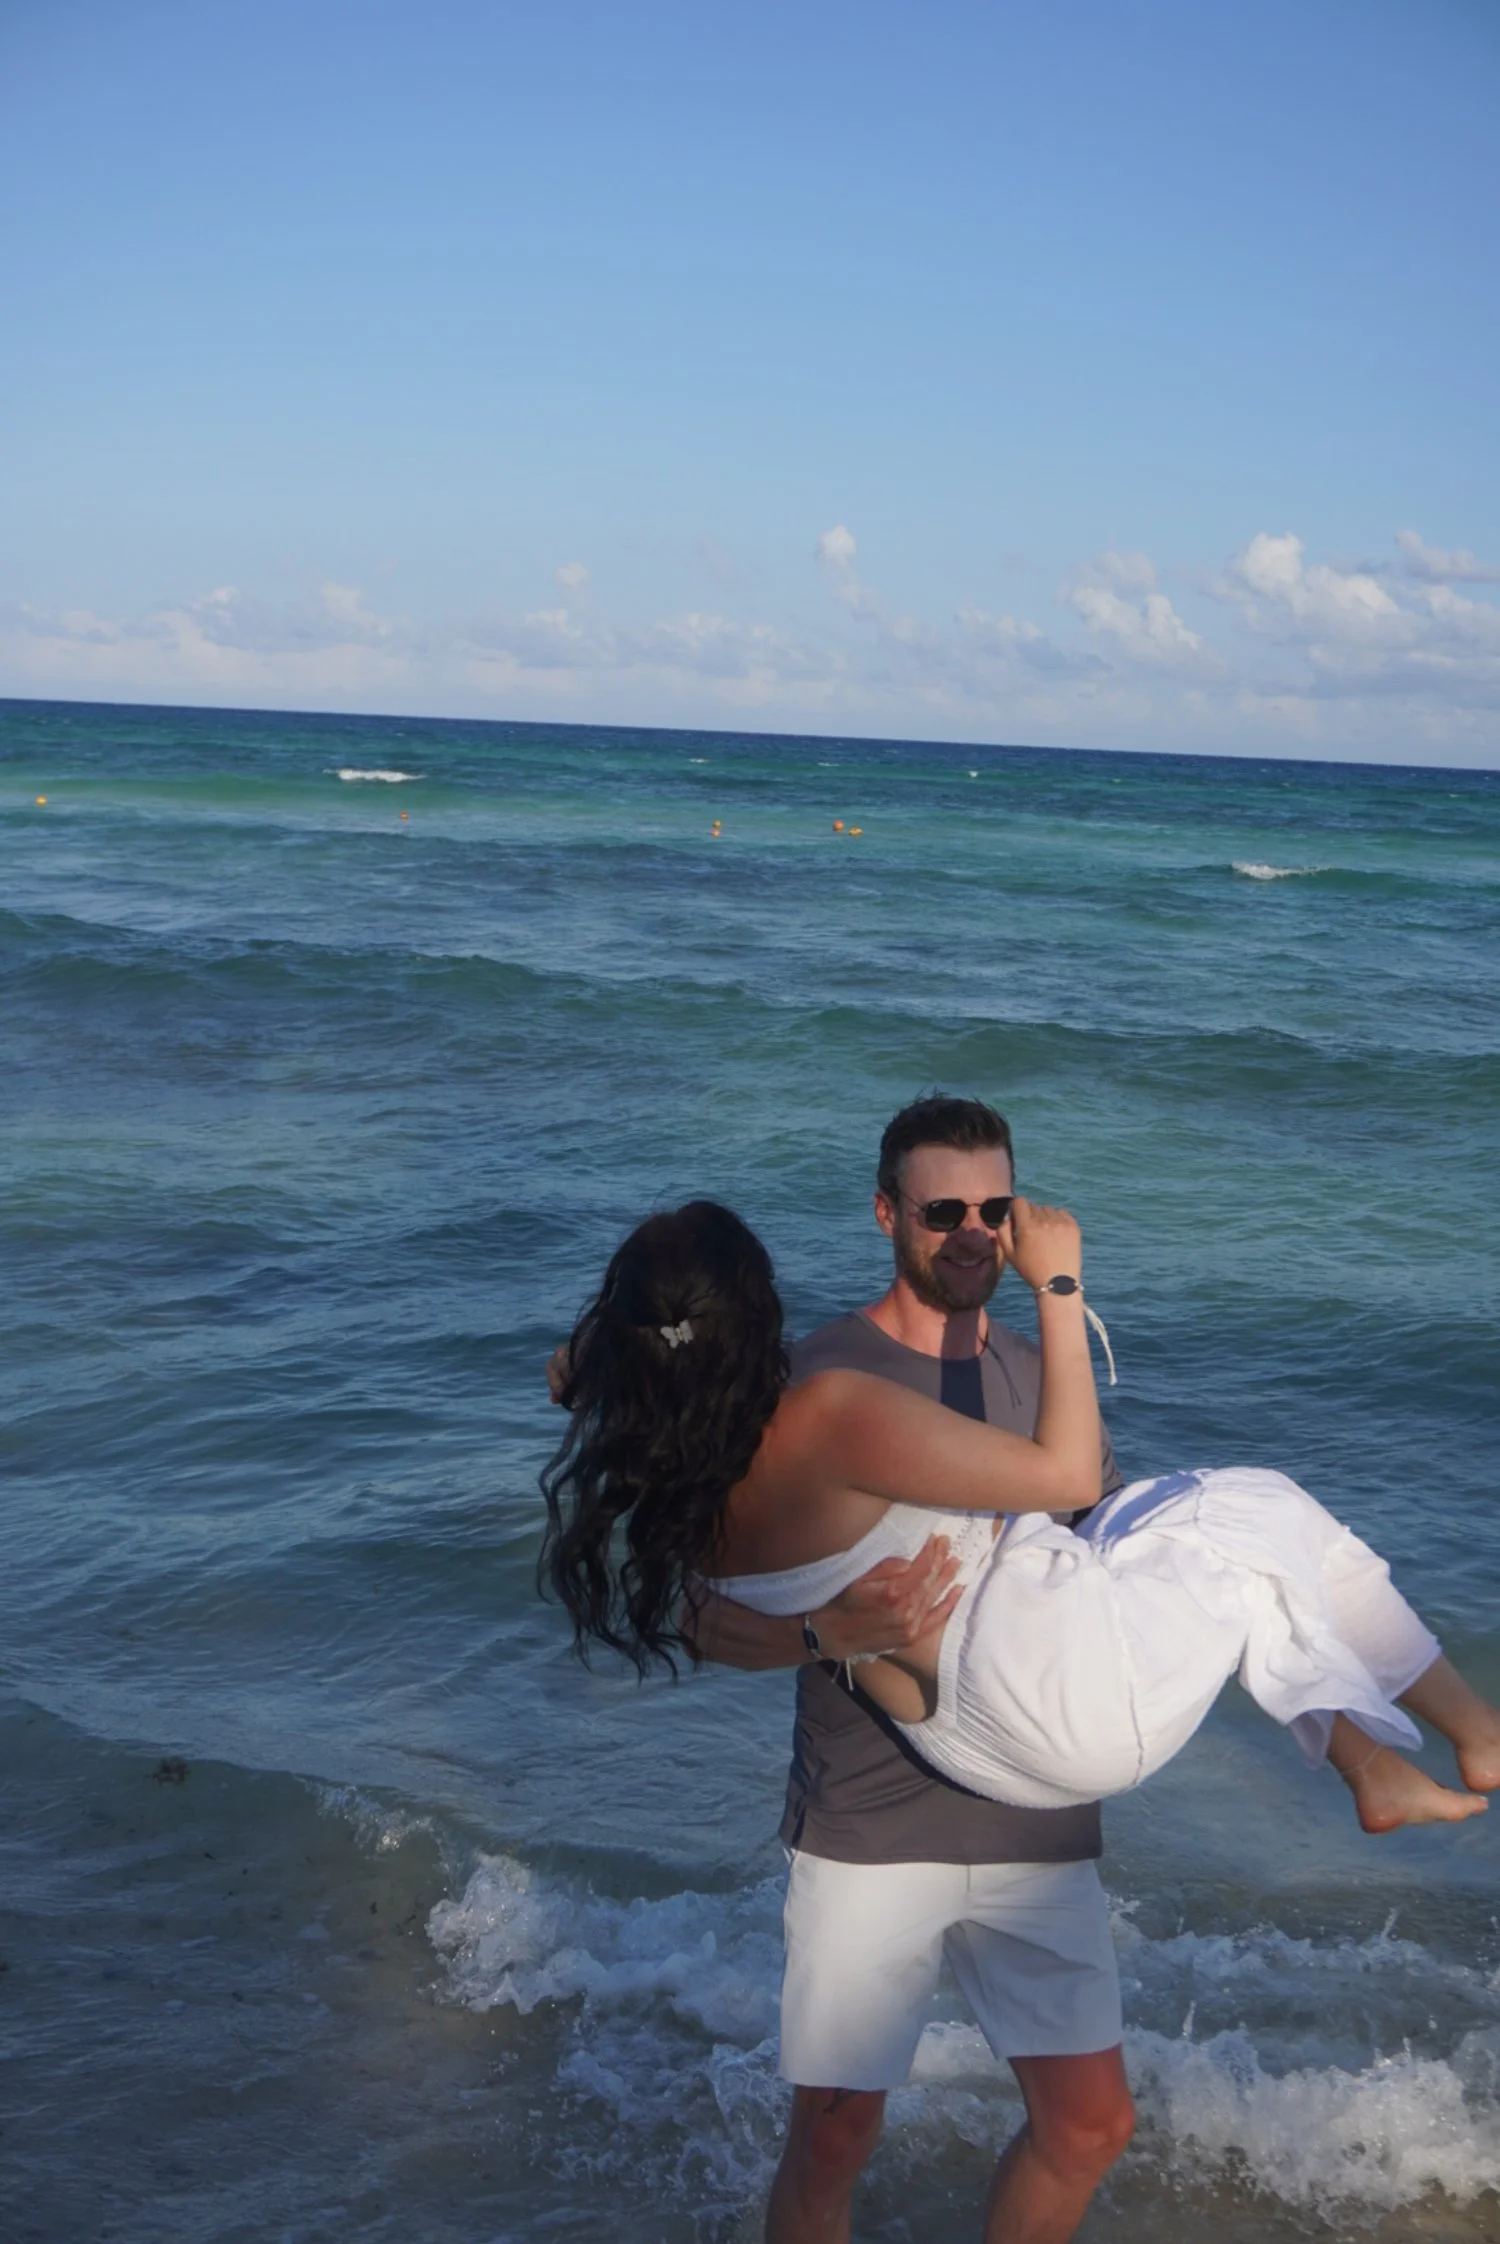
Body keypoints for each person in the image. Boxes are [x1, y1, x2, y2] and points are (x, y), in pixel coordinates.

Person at [542, 1100, 1500, 2244]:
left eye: (995, 1209)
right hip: (873, 1822)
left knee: (1089, 2123)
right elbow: (708, 1615)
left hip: (1026, 1808)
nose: (973, 1232)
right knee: (834, 2135)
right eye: (942, 1210)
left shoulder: (1014, 1377)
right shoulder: (818, 1382)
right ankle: (1437, 1740)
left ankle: (1363, 1755)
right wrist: (823, 1633)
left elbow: (1105, 1551)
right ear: (885, 1215)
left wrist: (596, 1360)